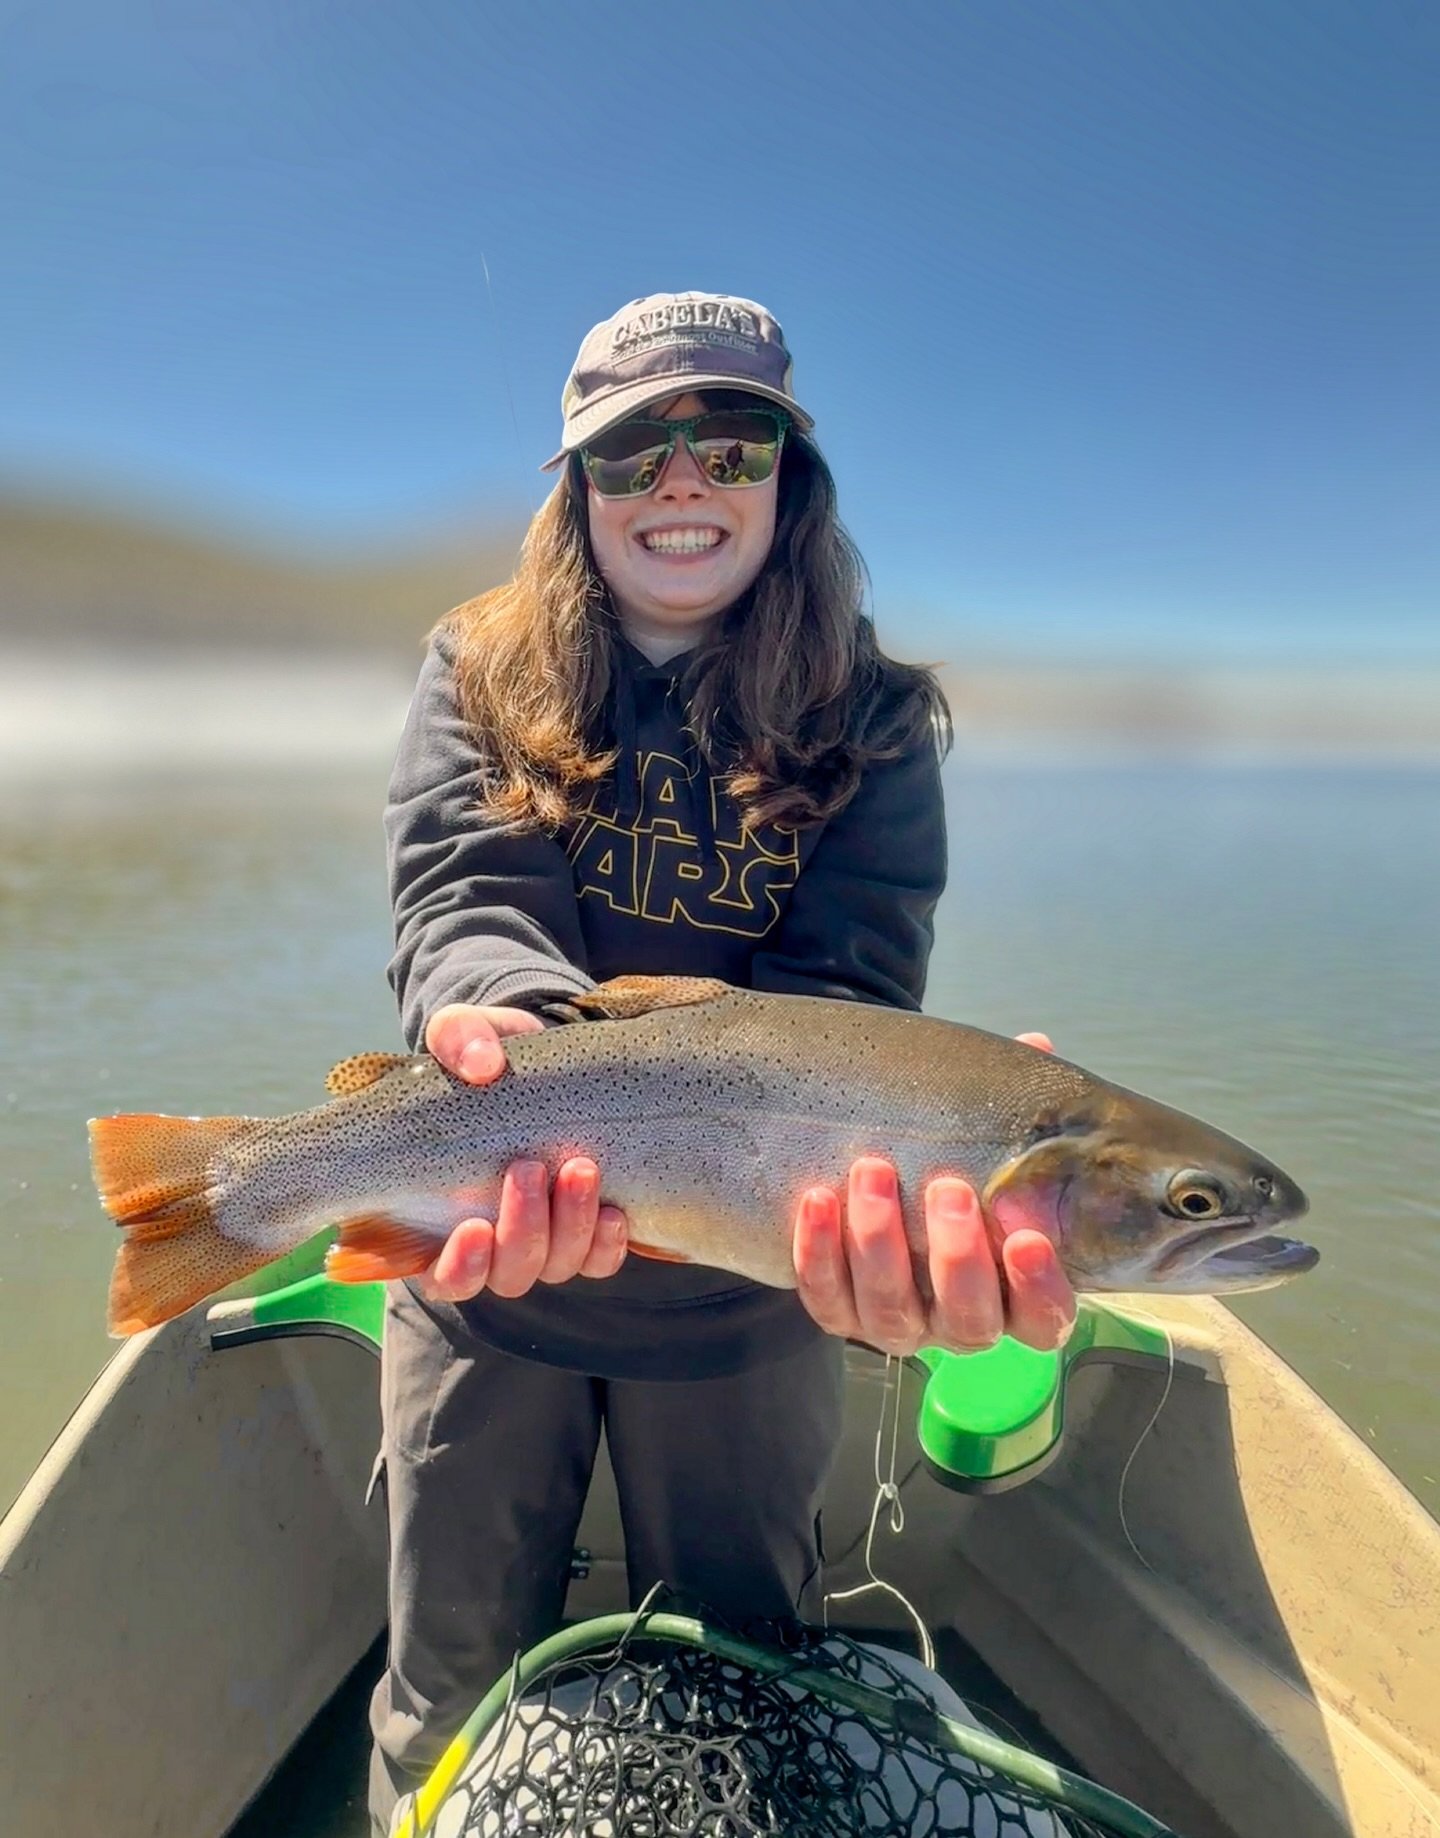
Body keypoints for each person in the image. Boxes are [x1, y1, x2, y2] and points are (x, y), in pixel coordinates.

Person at [367, 290, 1077, 1831]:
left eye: (728, 436)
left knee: (743, 1679)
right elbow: (466, 907)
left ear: (784, 477)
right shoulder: (474, 665)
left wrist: (926, 1132)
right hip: (486, 1254)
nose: (682, 478)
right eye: (634, 448)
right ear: (580, 485)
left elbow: (849, 986)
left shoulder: (876, 721)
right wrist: (502, 1035)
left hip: (750, 1300)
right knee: (450, 1674)